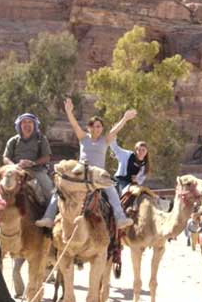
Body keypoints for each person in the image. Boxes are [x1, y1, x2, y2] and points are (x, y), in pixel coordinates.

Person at [35, 98, 136, 229]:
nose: (96, 129)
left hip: (98, 175)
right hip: (82, 174)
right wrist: (69, 112)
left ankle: (120, 218)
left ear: (102, 128)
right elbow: (74, 124)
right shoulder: (83, 137)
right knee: (60, 189)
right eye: (93, 126)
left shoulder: (105, 140)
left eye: (99, 126)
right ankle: (48, 217)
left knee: (111, 191)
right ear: (89, 127)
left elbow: (115, 130)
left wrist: (125, 118)